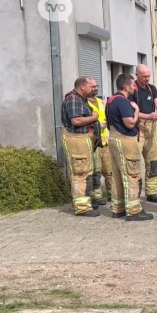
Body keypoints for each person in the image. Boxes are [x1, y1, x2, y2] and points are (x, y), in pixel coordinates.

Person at [107, 73, 154, 221]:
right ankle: (134, 210)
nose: (135, 88)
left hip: (114, 138)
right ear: (126, 87)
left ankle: (118, 208)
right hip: (126, 140)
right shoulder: (122, 102)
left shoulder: (111, 100)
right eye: (133, 85)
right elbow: (129, 123)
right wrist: (137, 111)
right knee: (132, 175)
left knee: (117, 175)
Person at [60, 77, 100, 217]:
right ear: (82, 87)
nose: (94, 89)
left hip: (83, 140)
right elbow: (76, 120)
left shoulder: (81, 99)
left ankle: (84, 201)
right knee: (80, 172)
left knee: (85, 172)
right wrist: (94, 118)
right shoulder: (73, 100)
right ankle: (81, 207)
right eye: (91, 86)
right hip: (76, 140)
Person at [131, 64, 157, 203]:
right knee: (134, 161)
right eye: (144, 76)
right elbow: (130, 112)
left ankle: (151, 192)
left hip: (151, 128)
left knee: (153, 160)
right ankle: (135, 192)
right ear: (136, 75)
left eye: (148, 76)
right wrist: (148, 116)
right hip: (138, 128)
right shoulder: (132, 89)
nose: (147, 79)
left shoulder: (152, 89)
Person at [87, 79, 111, 204]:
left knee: (109, 170)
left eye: (97, 86)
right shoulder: (84, 103)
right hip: (93, 142)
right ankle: (95, 195)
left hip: (105, 142)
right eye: (93, 87)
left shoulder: (101, 102)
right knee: (95, 170)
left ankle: (112, 193)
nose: (95, 88)